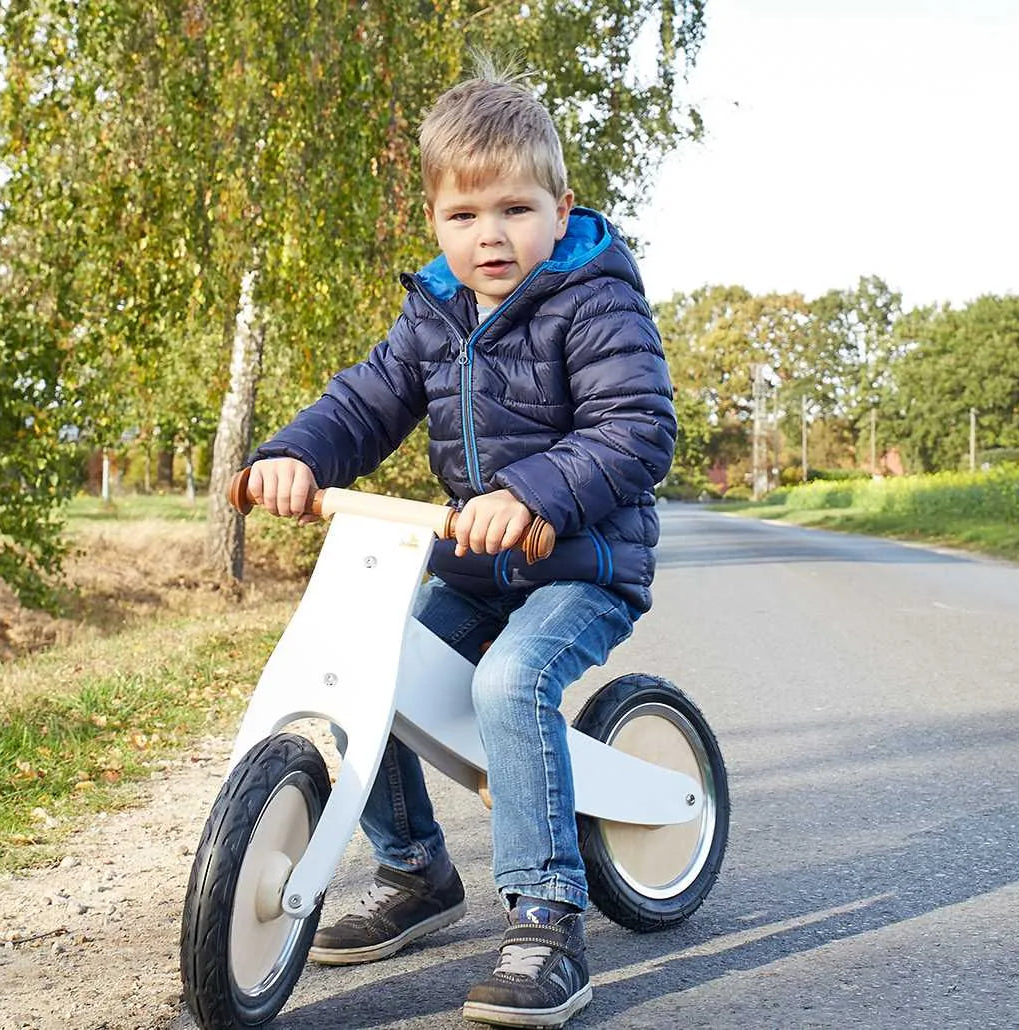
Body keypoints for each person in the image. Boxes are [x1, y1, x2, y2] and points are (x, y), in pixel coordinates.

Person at [243, 59, 676, 1029]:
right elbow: (366, 400)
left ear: (561, 211)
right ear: (434, 221)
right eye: (466, 215)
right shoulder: (433, 312)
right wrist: (293, 456)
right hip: (478, 561)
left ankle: (546, 915)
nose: (491, 235)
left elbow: (637, 428)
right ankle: (415, 871)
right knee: (376, 658)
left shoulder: (594, 300)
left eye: (516, 209)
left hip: (584, 560)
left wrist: (533, 492)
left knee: (504, 683)